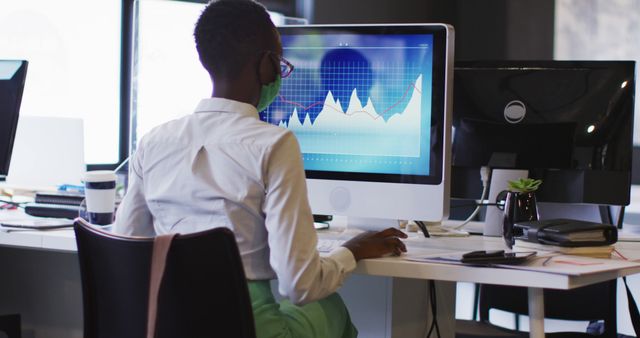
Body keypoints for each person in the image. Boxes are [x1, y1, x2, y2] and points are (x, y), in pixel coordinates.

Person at [113, 0, 407, 337]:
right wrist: (351, 252)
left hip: (167, 324)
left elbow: (126, 248)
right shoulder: (274, 144)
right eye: (280, 62)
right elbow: (300, 286)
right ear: (267, 65)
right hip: (249, 329)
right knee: (330, 308)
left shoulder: (153, 141)